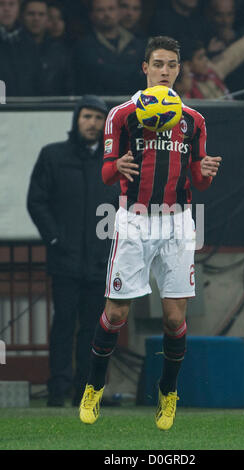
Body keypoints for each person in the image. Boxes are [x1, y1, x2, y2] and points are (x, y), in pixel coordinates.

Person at [79, 36, 222, 431]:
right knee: (116, 311)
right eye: (157, 63)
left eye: (171, 65)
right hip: (134, 219)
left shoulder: (194, 120)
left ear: (178, 69)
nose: (164, 70)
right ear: (145, 68)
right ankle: (94, 385)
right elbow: (107, 171)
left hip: (178, 220)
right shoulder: (121, 115)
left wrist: (205, 172)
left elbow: (197, 178)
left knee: (175, 318)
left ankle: (168, 391)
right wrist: (118, 166)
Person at [27, 95, 120, 407]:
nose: (92, 123)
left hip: (99, 262)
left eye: (98, 118)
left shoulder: (114, 164)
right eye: (87, 117)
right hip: (64, 261)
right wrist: (54, 239)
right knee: (63, 324)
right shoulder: (53, 156)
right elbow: (36, 201)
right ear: (76, 119)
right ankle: (57, 390)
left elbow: (125, 208)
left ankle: (85, 392)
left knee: (94, 330)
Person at [73, 0, 145, 95]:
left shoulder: (137, 44)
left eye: (111, 9)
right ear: (92, 15)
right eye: (100, 10)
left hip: (131, 104)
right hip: (98, 106)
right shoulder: (83, 47)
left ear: (119, 12)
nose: (107, 14)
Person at [186, 32, 244, 99]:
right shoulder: (183, 86)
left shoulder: (212, 72)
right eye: (200, 58)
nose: (206, 60)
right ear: (188, 64)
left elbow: (234, 55)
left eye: (205, 56)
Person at [21, 0, 74, 96]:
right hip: (17, 108)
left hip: (52, 108)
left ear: (46, 19)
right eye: (31, 14)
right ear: (22, 17)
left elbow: (68, 88)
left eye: (41, 14)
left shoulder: (60, 52)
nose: (36, 18)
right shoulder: (10, 48)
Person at [0, 0, 40, 96]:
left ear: (18, 9)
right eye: (1, 4)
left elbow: (37, 81)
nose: (7, 9)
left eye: (11, 4)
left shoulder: (29, 43)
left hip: (24, 107)